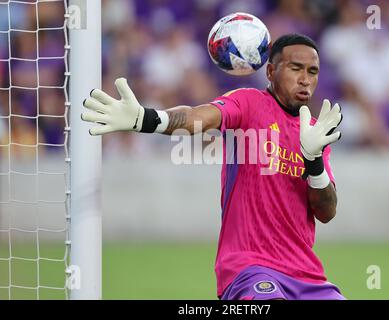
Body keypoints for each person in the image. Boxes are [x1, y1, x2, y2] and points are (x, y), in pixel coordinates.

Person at [81, 33, 344, 300]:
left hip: (307, 276)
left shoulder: (316, 133)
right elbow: (198, 118)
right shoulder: (249, 103)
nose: (305, 79)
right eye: (295, 68)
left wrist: (315, 161)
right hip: (252, 268)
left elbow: (327, 211)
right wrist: (145, 119)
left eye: (313, 71)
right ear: (271, 71)